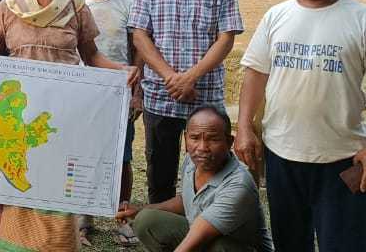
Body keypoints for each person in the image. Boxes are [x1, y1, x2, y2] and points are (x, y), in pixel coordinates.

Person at [234, 0, 366, 251]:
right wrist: (243, 129)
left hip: (343, 158)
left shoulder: (364, 19)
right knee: (291, 243)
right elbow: (255, 75)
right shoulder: (276, 17)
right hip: (282, 155)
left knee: (346, 245)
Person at [0, 0, 133, 252]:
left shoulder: (74, 6)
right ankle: (14, 244)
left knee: (56, 184)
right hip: (20, 118)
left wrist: (121, 71)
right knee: (20, 182)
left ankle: (58, 244)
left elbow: (91, 55)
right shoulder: (7, 7)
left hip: (61, 117)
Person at [129, 0, 244, 205]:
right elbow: (140, 35)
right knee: (159, 171)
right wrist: (170, 76)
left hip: (204, 96)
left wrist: (191, 77)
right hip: (161, 95)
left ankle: (205, 230)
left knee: (210, 168)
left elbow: (226, 38)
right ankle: (160, 232)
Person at [117, 106, 273, 252]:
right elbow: (188, 200)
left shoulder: (239, 185)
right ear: (186, 139)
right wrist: (140, 210)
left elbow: (201, 232)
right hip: (204, 235)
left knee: (221, 246)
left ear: (229, 142)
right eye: (195, 138)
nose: (202, 147)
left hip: (233, 246)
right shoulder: (192, 161)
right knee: (146, 219)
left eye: (213, 139)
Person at [80, 0, 142, 247]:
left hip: (119, 93)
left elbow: (137, 50)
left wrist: (136, 92)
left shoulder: (128, 3)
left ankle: (123, 215)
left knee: (122, 157)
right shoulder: (75, 3)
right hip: (82, 94)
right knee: (82, 154)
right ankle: (83, 218)